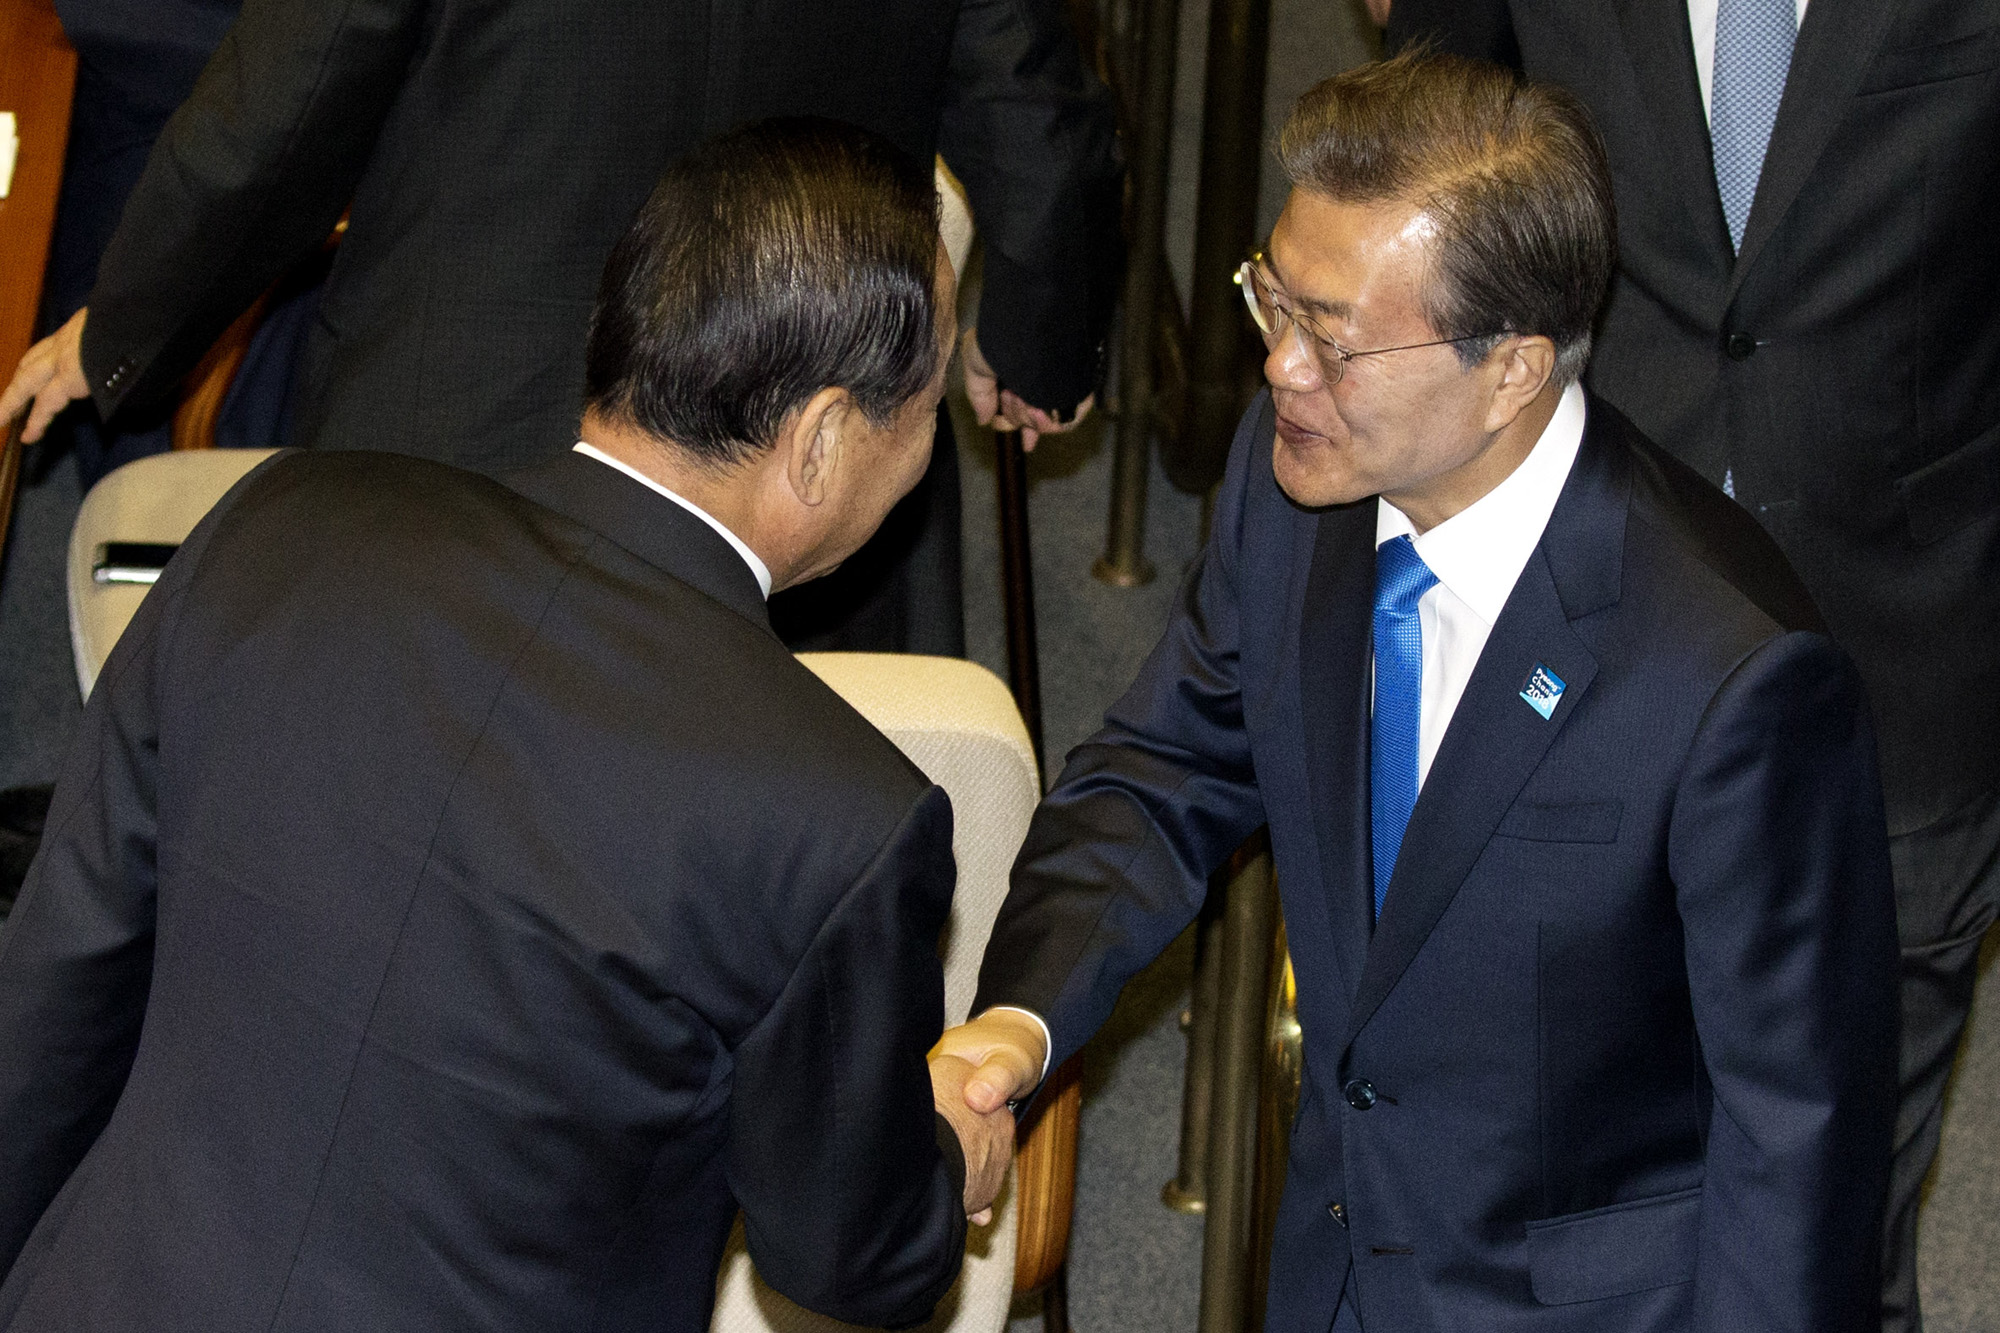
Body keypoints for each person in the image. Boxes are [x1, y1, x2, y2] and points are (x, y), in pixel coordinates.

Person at [938, 53, 1900, 1331]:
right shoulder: (1296, 492)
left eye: (1329, 338)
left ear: (1511, 370)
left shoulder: (1731, 679)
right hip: (1334, 1273)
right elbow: (1165, 769)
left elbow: (1795, 1154)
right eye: (1268, 301)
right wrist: (1015, 1022)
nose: (1278, 369)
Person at [0, 118, 1007, 1332]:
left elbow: (50, 1007)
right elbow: (847, 1257)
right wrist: (944, 1153)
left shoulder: (283, 520)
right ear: (825, 439)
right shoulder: (838, 814)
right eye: (931, 392)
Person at [1369, 6, 1999, 1327]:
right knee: (1529, 1205)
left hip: (1905, 659)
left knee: (1834, 1222)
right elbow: (1415, 180)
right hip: (1560, 647)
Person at [0, 0, 1119, 659]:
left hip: (463, 437)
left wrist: (125, 327)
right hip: (798, 452)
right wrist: (1033, 340)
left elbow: (286, 104)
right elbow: (1034, 104)